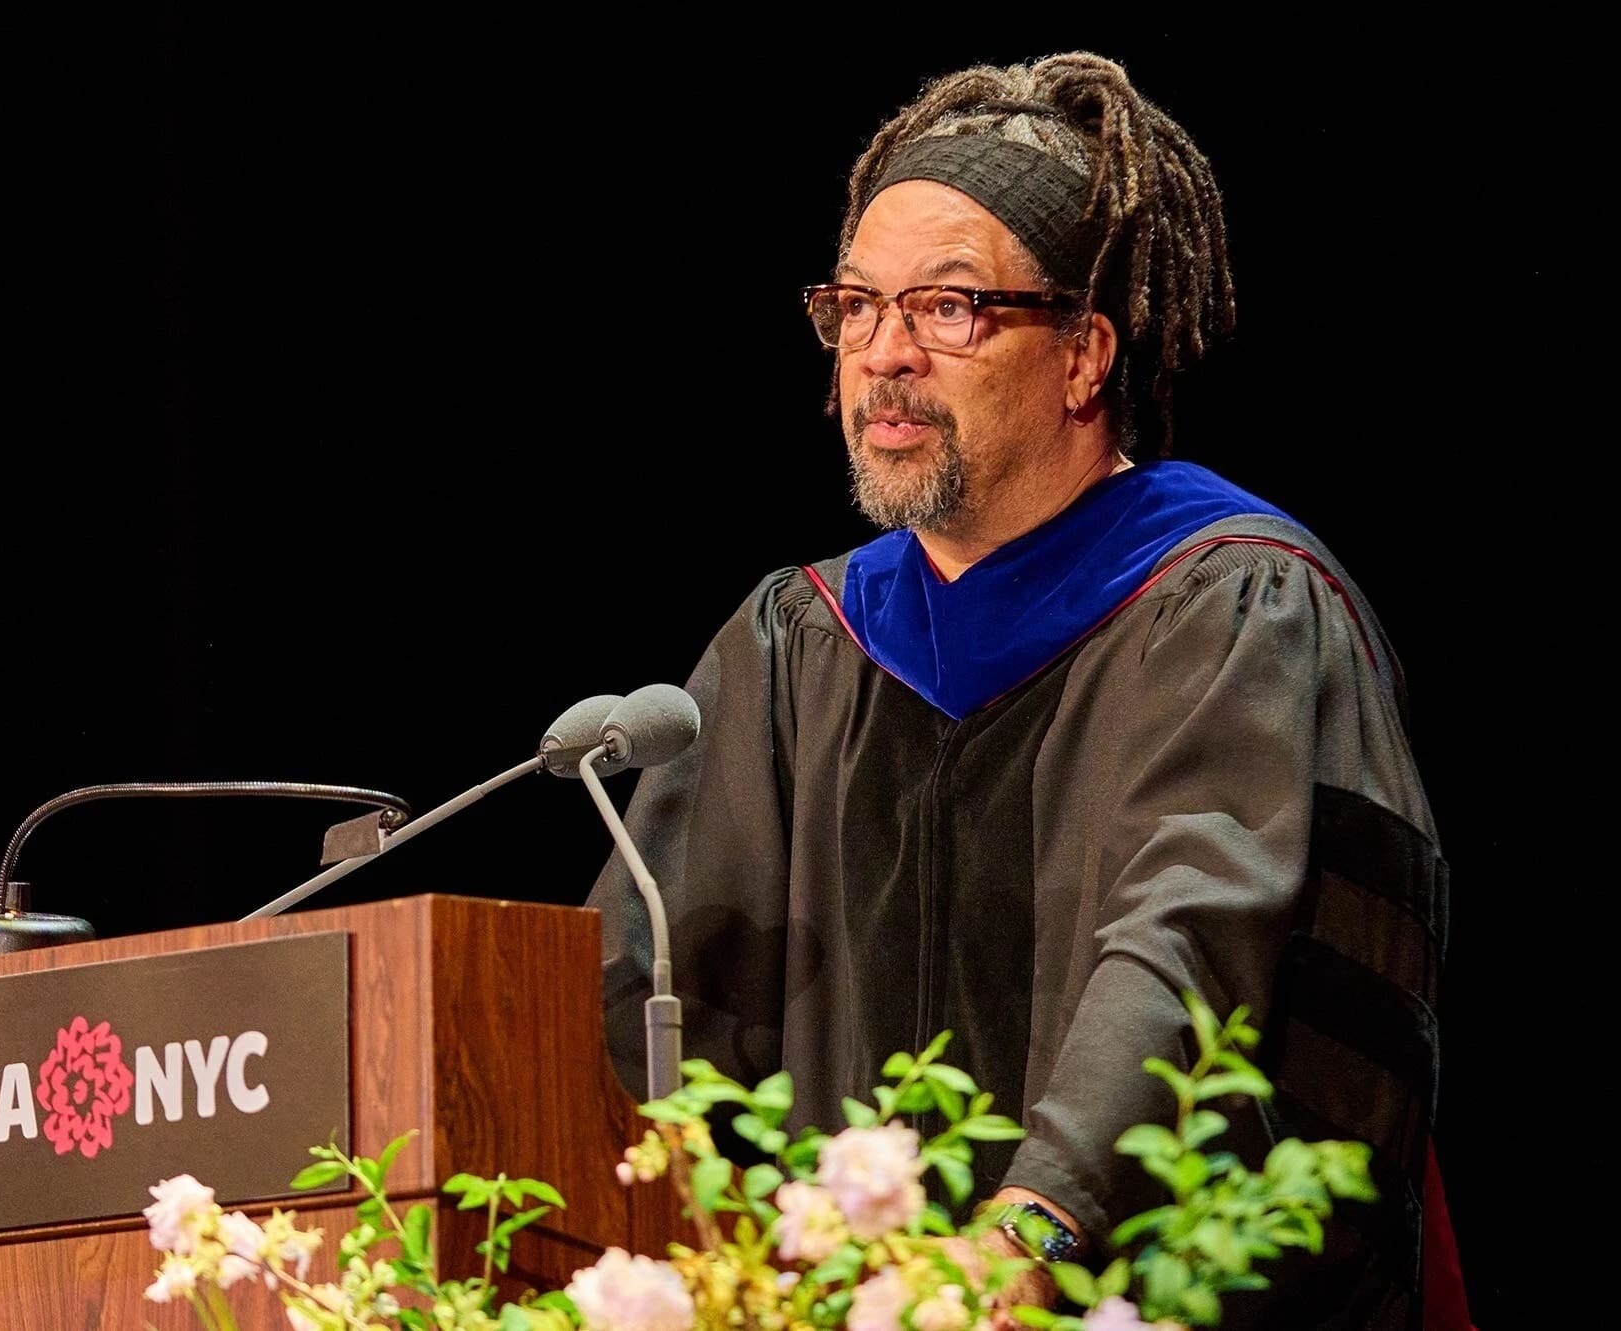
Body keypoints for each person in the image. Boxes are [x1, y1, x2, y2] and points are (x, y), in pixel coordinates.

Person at [588, 52, 1458, 1330]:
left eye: (947, 309)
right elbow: (636, 998)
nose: (883, 356)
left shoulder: (1231, 606)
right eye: (856, 307)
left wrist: (1036, 1221)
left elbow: (1193, 938)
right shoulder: (795, 646)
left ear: (1082, 354)